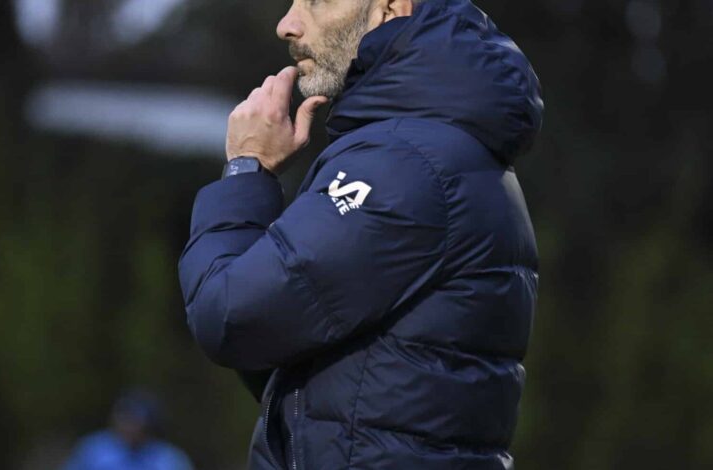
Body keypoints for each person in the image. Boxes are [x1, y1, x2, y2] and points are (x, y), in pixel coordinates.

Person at [178, 0, 543, 468]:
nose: (286, 25)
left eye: (316, 2)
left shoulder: (406, 163)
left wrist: (247, 167)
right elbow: (281, 350)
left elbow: (228, 312)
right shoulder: (428, 150)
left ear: (390, 8)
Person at [63, 390, 194, 470]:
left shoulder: (168, 459)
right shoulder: (93, 450)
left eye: (134, 420)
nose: (128, 425)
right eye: (123, 417)